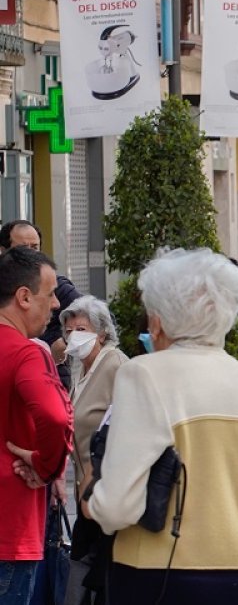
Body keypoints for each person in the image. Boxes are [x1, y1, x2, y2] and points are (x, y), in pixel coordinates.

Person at [82, 248, 238, 604]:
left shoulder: (143, 374)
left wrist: (91, 496)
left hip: (157, 577)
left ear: (159, 321)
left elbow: (117, 507)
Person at [0, 247, 73, 605]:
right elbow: (56, 416)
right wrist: (46, 465)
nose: (57, 304)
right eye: (50, 294)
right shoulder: (24, 352)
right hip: (10, 525)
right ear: (24, 297)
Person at [59, 296, 127, 604]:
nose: (75, 335)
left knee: (90, 567)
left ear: (101, 332)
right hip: (85, 492)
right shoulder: (79, 370)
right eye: (70, 329)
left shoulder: (116, 365)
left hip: (106, 490)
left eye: (82, 328)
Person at [0, 220, 84, 388]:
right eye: (24, 248)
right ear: (4, 252)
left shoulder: (58, 287)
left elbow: (97, 317)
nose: (54, 304)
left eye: (35, 248)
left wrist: (64, 341)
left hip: (49, 380)